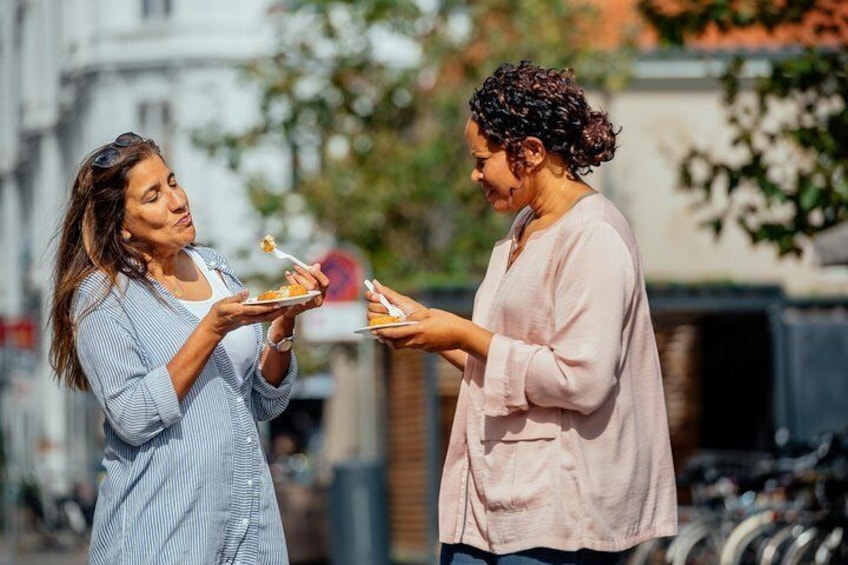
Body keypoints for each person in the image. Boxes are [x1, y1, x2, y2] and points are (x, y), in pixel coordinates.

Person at [366, 61, 678, 564]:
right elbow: (503, 364)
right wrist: (429, 327)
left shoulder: (592, 235)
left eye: (482, 159)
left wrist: (463, 334)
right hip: (492, 506)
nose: (474, 174)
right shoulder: (520, 231)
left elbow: (582, 379)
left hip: (556, 518)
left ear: (530, 152)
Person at [49, 132, 330, 564]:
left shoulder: (214, 266)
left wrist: (284, 320)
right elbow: (132, 416)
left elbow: (263, 401)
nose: (178, 201)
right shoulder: (102, 297)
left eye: (173, 182)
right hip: (164, 535)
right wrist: (211, 329)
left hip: (248, 526)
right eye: (153, 196)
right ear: (122, 225)